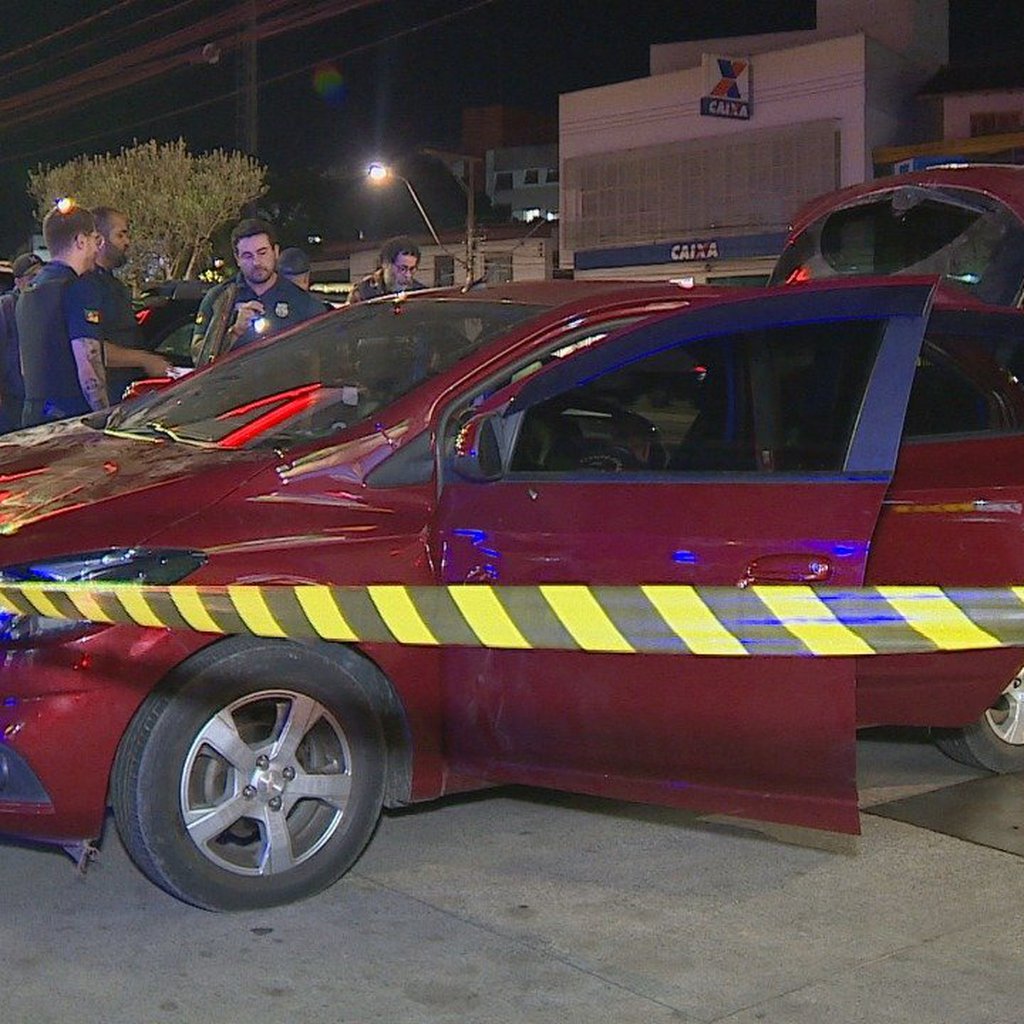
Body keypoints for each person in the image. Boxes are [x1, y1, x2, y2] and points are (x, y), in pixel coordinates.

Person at [17, 201, 170, 427]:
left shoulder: (30, 292)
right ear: (80, 241)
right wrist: (105, 417)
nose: (95, 248)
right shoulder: (79, 287)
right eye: (93, 240)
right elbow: (89, 360)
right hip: (72, 417)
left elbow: (25, 364)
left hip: (35, 415)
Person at [191, 218, 326, 365]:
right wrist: (234, 332)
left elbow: (321, 360)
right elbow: (199, 359)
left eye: (262, 253)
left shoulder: (301, 301)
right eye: (247, 256)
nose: (256, 262)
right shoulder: (219, 298)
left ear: (275, 251)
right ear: (237, 258)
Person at [79, 206, 150, 402]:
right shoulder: (86, 287)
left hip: (129, 394)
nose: (127, 242)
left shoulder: (114, 285)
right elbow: (93, 348)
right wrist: (144, 359)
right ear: (100, 240)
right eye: (121, 235)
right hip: (107, 396)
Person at [0, 253, 43, 432]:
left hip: (40, 397)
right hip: (13, 399)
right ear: (18, 282)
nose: (38, 282)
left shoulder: (44, 305)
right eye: (32, 276)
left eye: (42, 275)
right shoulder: (6, 307)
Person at [347, 236, 426, 303]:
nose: (407, 275)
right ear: (385, 264)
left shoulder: (421, 294)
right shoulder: (362, 293)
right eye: (402, 269)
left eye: (412, 269)